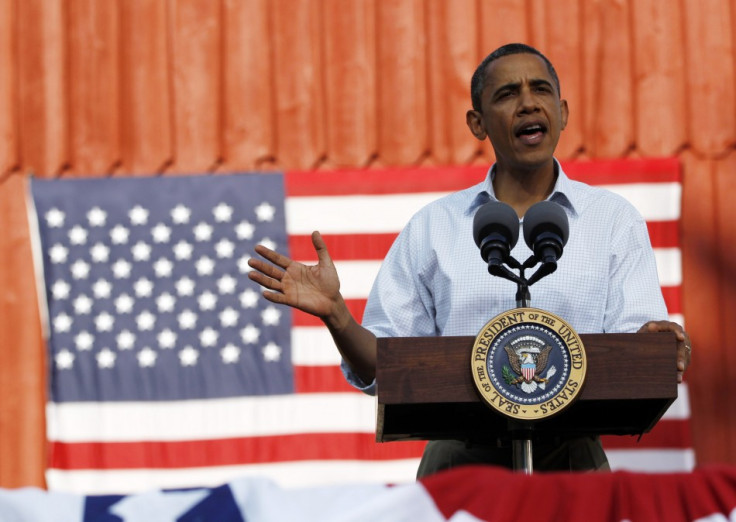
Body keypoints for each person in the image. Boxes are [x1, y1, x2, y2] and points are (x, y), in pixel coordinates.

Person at [247, 42, 692, 475]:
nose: (527, 105)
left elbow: (639, 348)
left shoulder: (612, 220)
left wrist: (658, 346)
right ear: (478, 124)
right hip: (461, 465)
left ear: (563, 112)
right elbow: (383, 368)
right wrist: (337, 315)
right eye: (507, 94)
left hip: (572, 460)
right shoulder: (434, 227)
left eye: (541, 90)